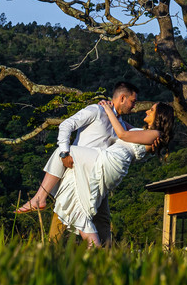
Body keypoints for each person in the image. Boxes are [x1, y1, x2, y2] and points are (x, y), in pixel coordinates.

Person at [16, 81, 139, 232]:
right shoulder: (97, 110)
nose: (134, 106)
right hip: (77, 169)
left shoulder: (120, 124)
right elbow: (66, 125)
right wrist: (65, 152)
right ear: (122, 98)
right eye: (132, 102)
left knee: (103, 221)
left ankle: (104, 254)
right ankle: (49, 250)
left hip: (99, 175)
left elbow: (138, 134)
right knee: (63, 214)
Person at [53, 100, 174, 247]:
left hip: (111, 161)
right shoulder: (146, 133)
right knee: (82, 201)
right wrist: (114, 111)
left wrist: (107, 108)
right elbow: (123, 126)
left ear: (159, 116)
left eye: (152, 110)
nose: (147, 111)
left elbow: (122, 134)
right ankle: (96, 247)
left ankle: (40, 196)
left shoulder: (155, 134)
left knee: (67, 151)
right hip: (114, 162)